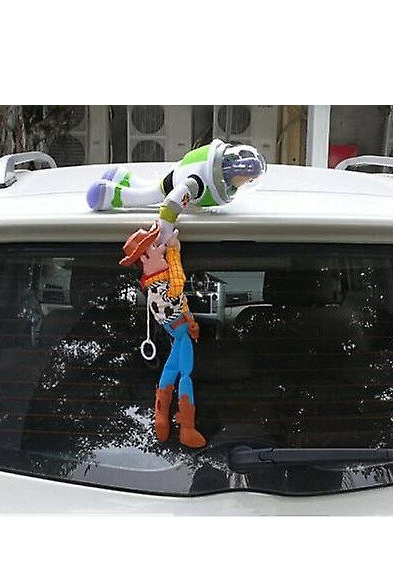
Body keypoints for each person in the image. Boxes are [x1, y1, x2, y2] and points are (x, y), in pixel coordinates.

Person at [119, 226, 205, 448]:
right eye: (155, 250)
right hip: (181, 334)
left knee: (170, 370)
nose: (161, 251)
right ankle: (187, 428)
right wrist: (174, 251)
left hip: (176, 331)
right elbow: (178, 279)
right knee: (185, 374)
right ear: (145, 259)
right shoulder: (165, 289)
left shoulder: (152, 290)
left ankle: (161, 418)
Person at [87, 139, 267, 245]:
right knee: (147, 195)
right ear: (235, 171)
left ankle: (120, 177)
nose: (249, 182)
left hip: (176, 176)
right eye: (248, 178)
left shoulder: (214, 181)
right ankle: (108, 195)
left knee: (149, 187)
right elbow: (172, 203)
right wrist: (165, 234)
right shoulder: (198, 183)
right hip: (172, 183)